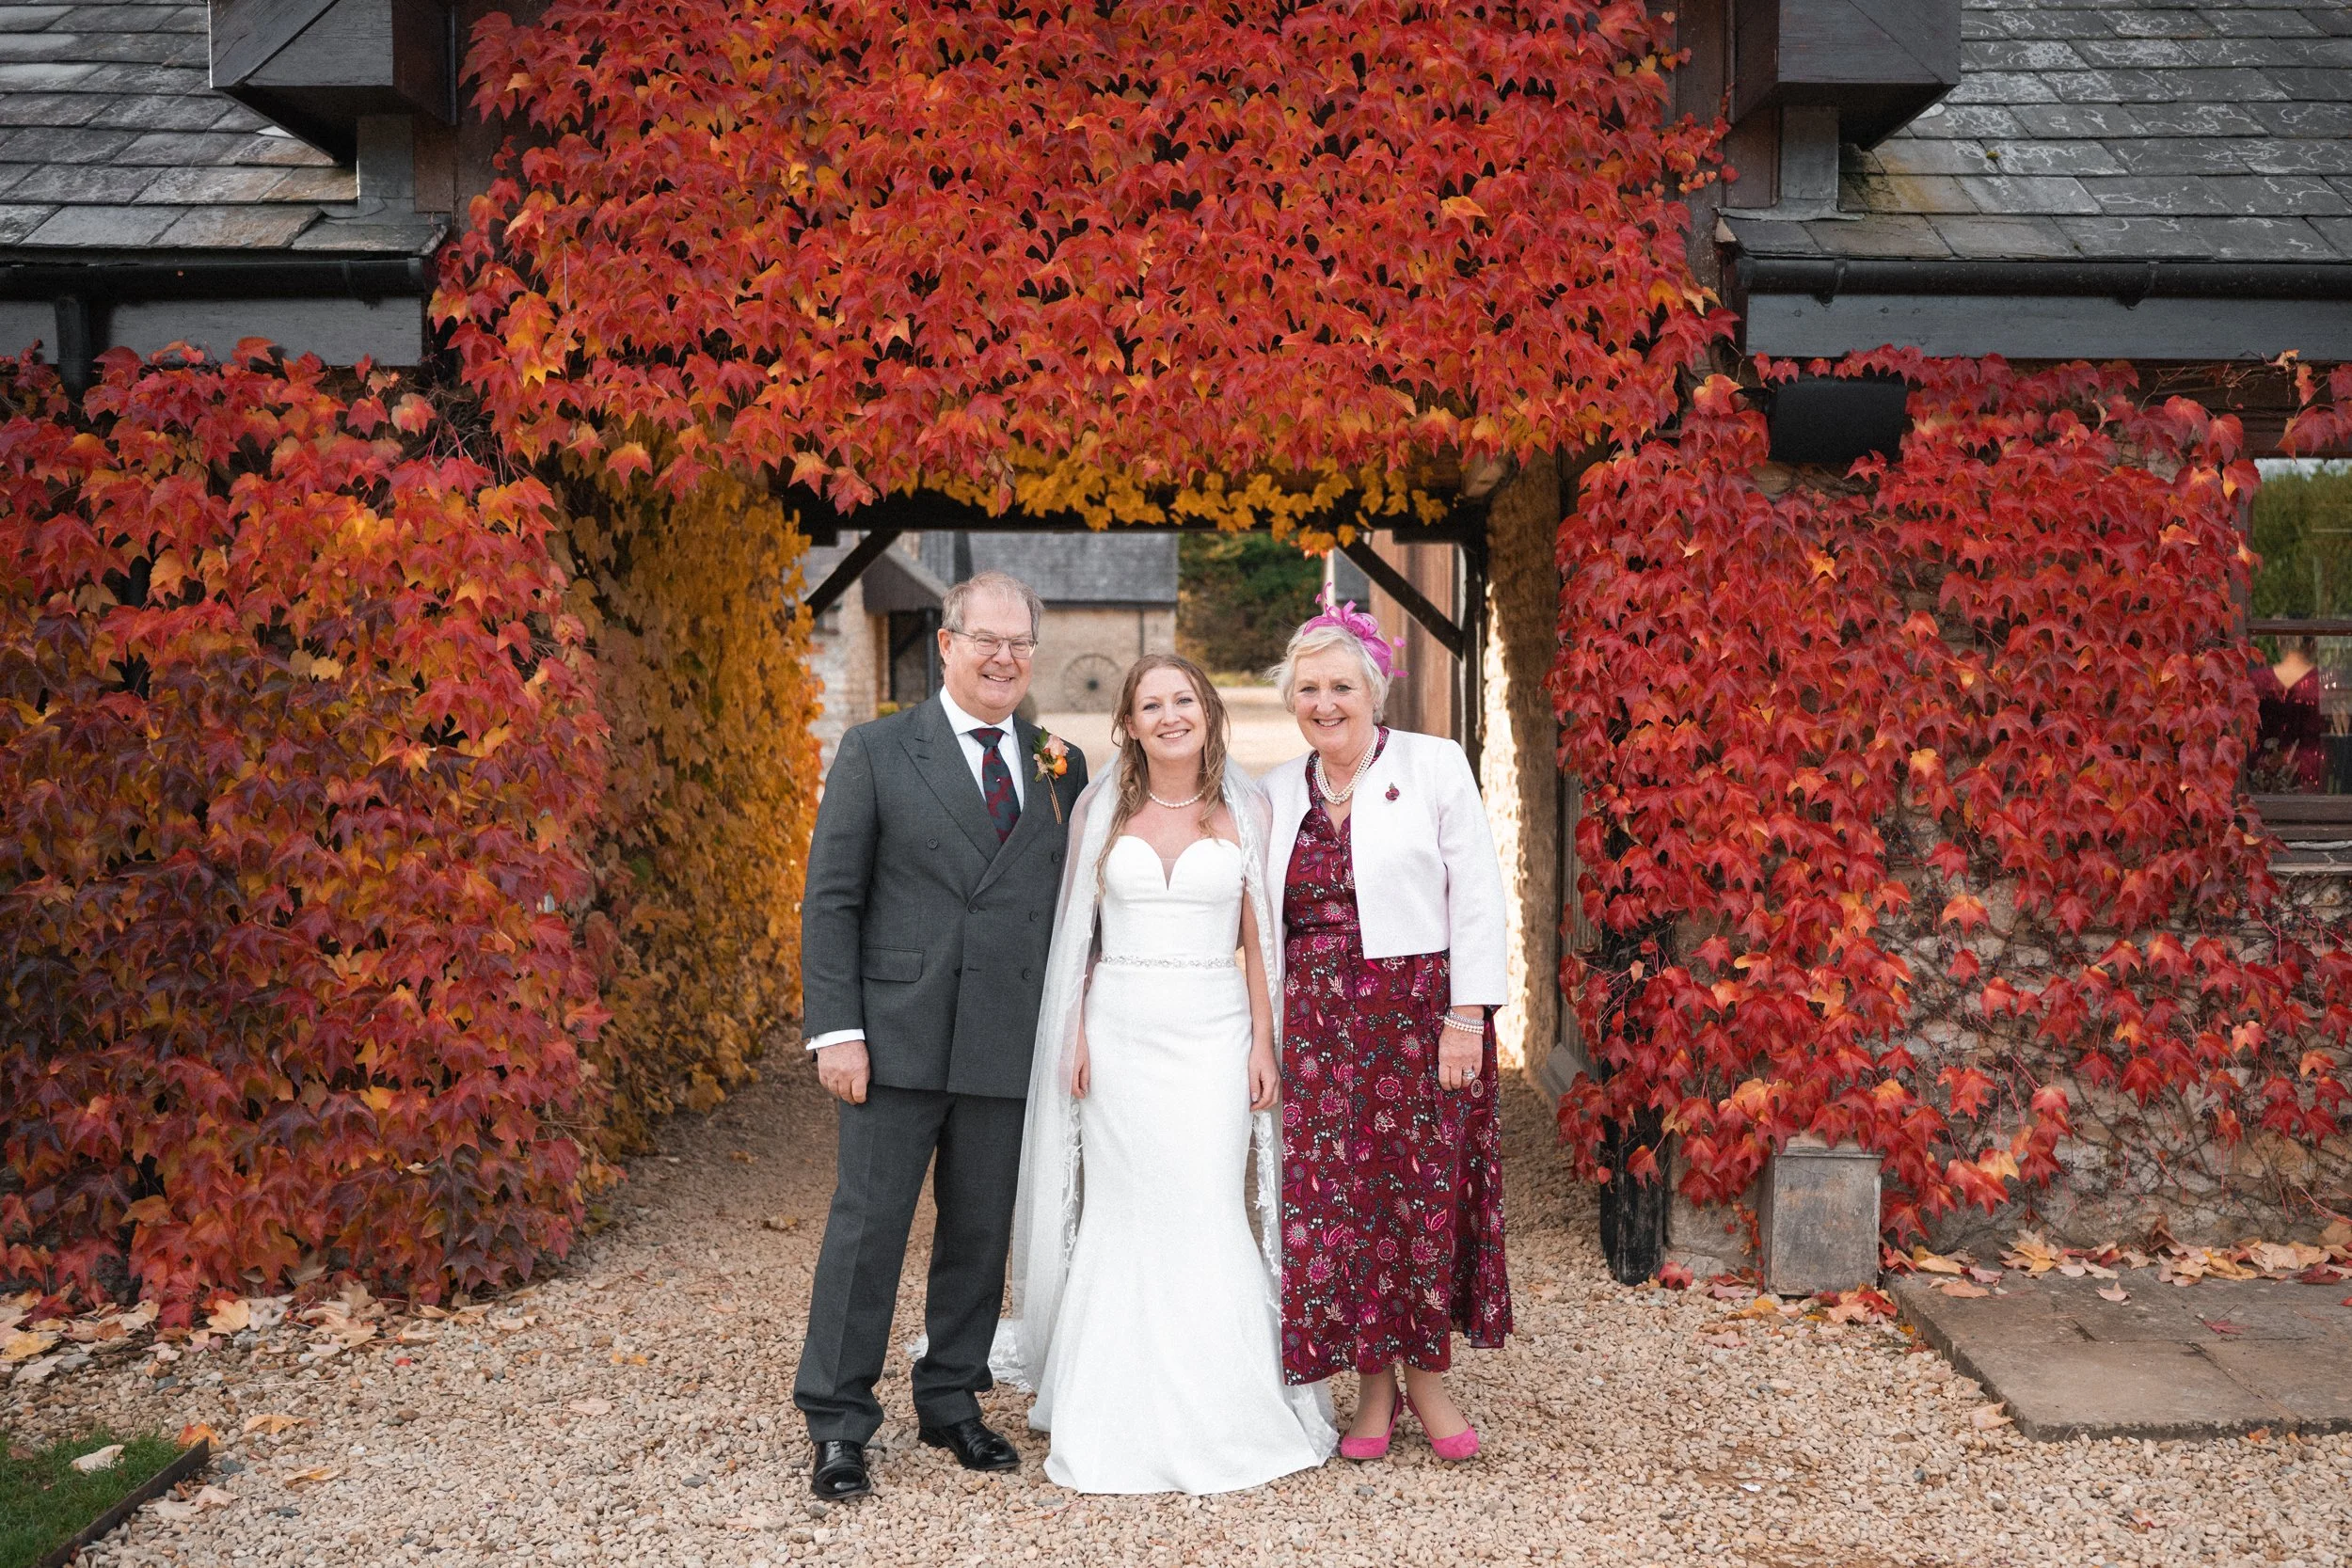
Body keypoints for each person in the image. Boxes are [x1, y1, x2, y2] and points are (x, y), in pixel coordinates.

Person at [1004, 654, 1336, 1494]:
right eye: (1150, 704)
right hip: (1118, 1031)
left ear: (1208, 710)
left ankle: (1227, 1406)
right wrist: (1072, 1031)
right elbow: (1077, 933)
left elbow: (1262, 941)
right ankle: (1108, 1406)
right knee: (1125, 1209)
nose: (1168, 715)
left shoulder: (1246, 809)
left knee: (1206, 1201)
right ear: (1131, 723)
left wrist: (1266, 1043)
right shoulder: (1100, 809)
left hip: (1214, 1033)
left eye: (1182, 699)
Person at [793, 570, 1089, 1501]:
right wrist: (836, 1029)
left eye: (1019, 642)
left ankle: (952, 1395)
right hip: (894, 1034)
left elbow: (1071, 908)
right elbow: (832, 900)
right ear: (948, 643)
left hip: (1008, 1034)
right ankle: (838, 1418)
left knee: (979, 1229)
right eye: (985, 638)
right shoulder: (878, 750)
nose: (1003, 656)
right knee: (867, 1230)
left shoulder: (1059, 764)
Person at [1260, 594, 1511, 1464]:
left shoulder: (1434, 764)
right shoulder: (1270, 792)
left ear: (1374, 691)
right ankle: (1372, 1384)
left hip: (1419, 1020)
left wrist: (1467, 1017)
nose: (1323, 703)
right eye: (1306, 689)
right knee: (1340, 1207)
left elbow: (1477, 895)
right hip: (1321, 1032)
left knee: (1425, 1196)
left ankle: (1429, 1379)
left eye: (1339, 686)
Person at [2254, 635, 2329, 793]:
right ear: (2313, 645)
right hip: (2307, 769)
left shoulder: (2258, 680)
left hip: (2262, 768)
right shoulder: (2322, 681)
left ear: (2279, 642)